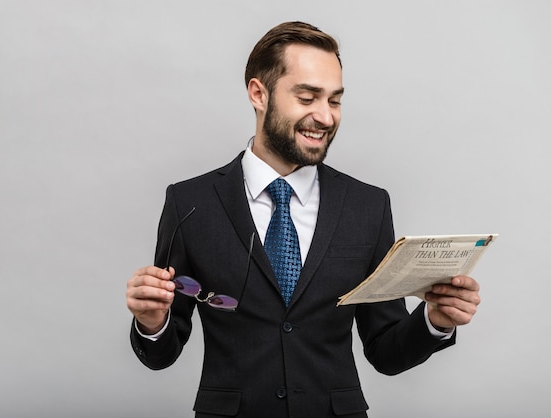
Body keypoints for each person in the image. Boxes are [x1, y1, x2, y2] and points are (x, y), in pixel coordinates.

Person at [126, 21, 481, 418]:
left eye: (334, 100)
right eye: (308, 97)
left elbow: (386, 352)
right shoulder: (190, 202)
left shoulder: (368, 205)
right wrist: (152, 322)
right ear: (258, 94)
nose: (325, 117)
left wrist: (435, 321)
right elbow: (160, 353)